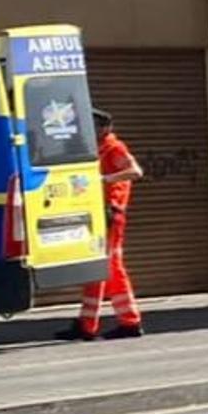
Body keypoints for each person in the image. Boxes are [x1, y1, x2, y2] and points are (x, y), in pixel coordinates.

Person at [57, 109, 145, 341]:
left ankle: (112, 323)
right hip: (97, 213)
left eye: (93, 126)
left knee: (107, 267)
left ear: (104, 128)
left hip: (110, 213)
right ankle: (101, 323)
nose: (89, 130)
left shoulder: (114, 148)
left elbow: (135, 172)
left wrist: (103, 179)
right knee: (102, 268)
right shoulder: (95, 149)